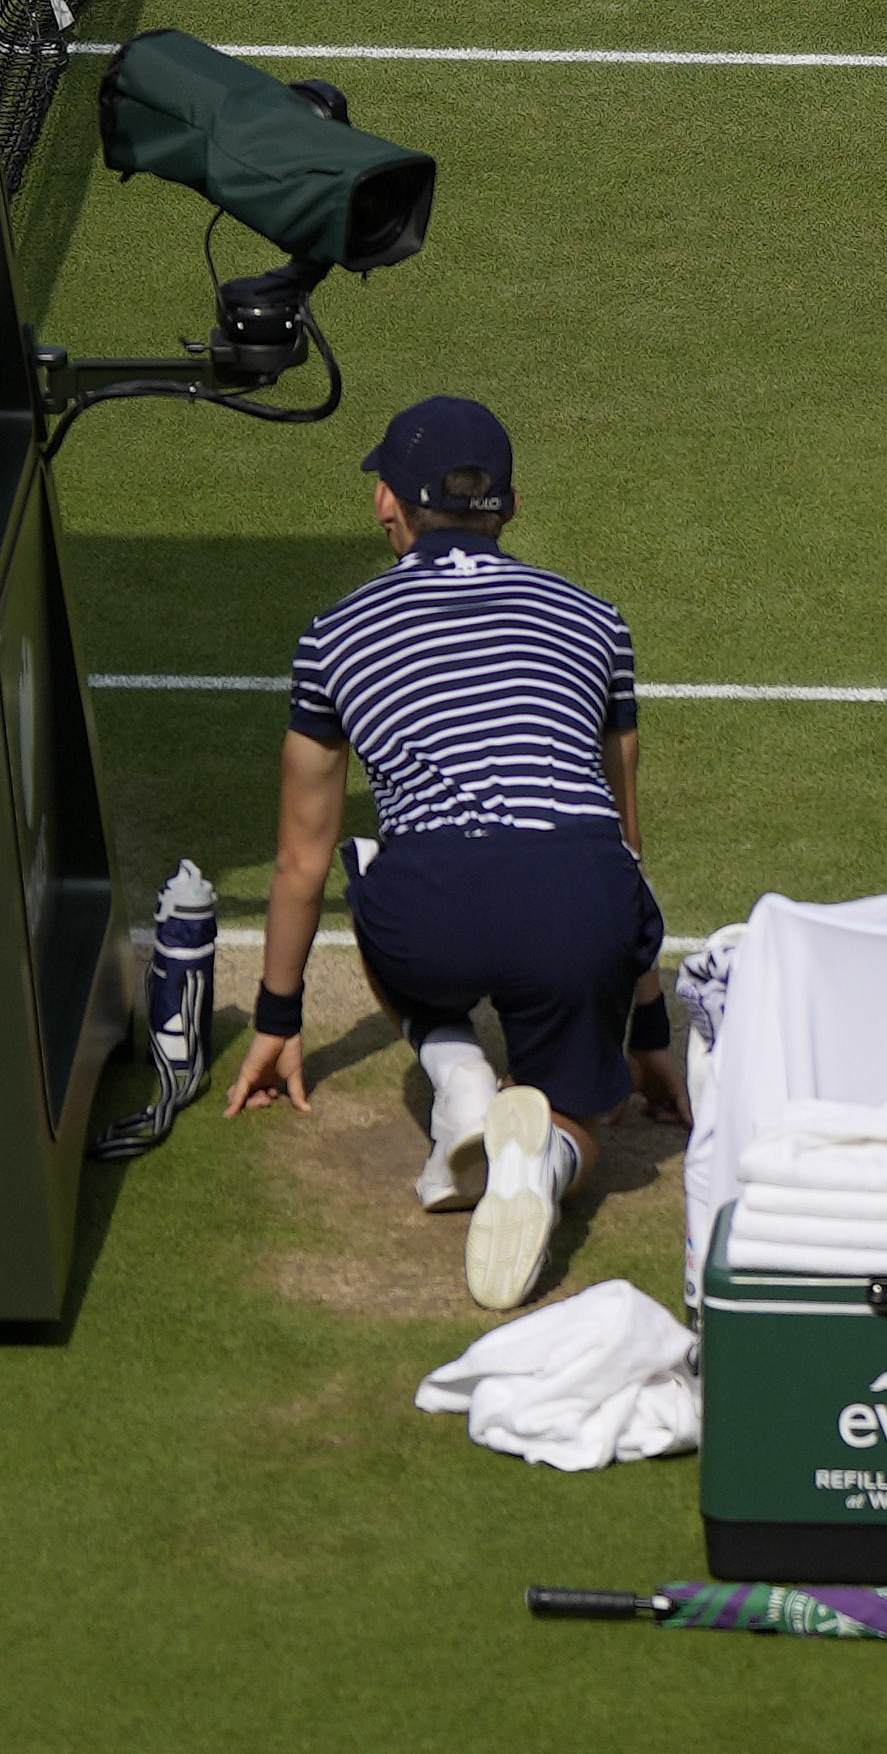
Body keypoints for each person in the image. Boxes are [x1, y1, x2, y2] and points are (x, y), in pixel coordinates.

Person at [226, 389, 664, 1310]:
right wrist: (648, 1031)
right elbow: (625, 843)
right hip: (575, 899)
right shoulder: (599, 619)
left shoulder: (330, 636)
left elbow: (300, 858)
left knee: (364, 860)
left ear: (388, 503)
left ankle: (461, 1084)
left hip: (431, 911)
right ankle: (542, 1157)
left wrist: (277, 1021)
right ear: (509, 506)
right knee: (595, 1107)